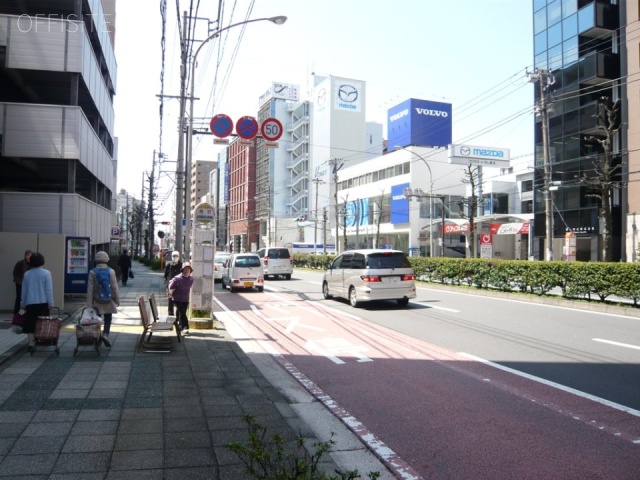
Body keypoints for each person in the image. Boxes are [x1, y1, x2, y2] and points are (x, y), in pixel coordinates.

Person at [19, 252, 53, 353]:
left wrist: (22, 304)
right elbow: (48, 290)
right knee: (42, 323)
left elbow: (24, 290)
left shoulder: (27, 274)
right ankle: (42, 340)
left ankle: (30, 343)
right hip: (43, 302)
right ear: (42, 261)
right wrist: (51, 303)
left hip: (30, 302)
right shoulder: (46, 273)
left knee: (30, 323)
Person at [86, 251, 120, 347]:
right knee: (108, 318)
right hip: (109, 300)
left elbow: (90, 289)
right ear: (107, 259)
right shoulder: (111, 271)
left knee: (97, 319)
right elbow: (114, 287)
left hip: (97, 300)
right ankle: (105, 334)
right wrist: (117, 300)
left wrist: (89, 303)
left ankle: (98, 336)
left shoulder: (93, 272)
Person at [167, 262, 194, 335]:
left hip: (185, 299)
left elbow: (190, 287)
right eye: (185, 269)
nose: (186, 270)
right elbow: (171, 287)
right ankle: (186, 327)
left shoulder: (191, 279)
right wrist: (170, 294)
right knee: (182, 313)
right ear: (182, 270)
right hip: (177, 298)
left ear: (190, 270)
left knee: (181, 312)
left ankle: (179, 326)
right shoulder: (177, 278)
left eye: (188, 269)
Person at [12, 250, 32, 314]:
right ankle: (16, 312)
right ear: (25, 256)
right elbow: (15, 272)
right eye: (28, 255)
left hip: (29, 283)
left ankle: (26, 312)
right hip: (20, 283)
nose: (29, 257)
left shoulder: (32, 264)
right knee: (19, 297)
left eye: (30, 256)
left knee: (28, 297)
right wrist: (18, 279)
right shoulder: (20, 263)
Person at [164, 251, 182, 316]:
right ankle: (170, 315)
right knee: (170, 301)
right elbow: (165, 276)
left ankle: (178, 317)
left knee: (179, 302)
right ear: (171, 257)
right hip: (170, 287)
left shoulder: (181, 265)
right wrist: (167, 288)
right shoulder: (169, 265)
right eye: (173, 256)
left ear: (179, 256)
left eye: (176, 256)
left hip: (179, 287)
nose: (175, 257)